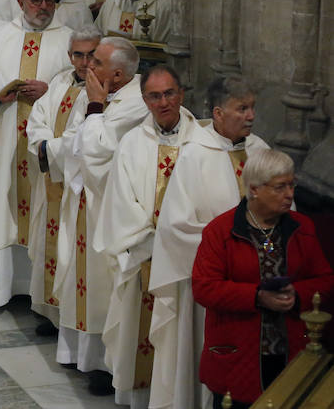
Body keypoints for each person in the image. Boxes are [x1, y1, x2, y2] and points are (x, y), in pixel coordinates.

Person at [149, 75, 269, 409]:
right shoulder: (194, 155)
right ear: (218, 113)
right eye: (241, 108)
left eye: (252, 108)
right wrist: (230, 251)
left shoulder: (260, 150)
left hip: (258, 280)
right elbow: (175, 226)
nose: (251, 116)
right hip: (212, 280)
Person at [193, 149, 334, 409]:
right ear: (254, 189)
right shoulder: (220, 231)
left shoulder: (302, 227)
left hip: (291, 352)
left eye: (292, 185)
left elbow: (325, 279)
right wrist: (257, 297)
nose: (290, 194)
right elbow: (204, 288)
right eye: (280, 187)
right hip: (237, 356)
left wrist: (297, 294)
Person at [0, 0, 73, 307]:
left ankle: (41, 297)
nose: (44, 6)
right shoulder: (0, 35)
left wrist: (51, 91)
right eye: (35, 0)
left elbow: (81, 87)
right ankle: (4, 289)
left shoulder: (69, 39)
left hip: (47, 141)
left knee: (43, 211)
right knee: (7, 208)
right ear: (20, 2)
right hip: (6, 135)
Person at [94, 65, 198, 409]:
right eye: (154, 96)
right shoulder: (132, 143)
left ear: (181, 94)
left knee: (180, 336)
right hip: (144, 258)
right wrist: (154, 240)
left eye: (169, 93)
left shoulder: (202, 142)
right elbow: (121, 201)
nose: (163, 102)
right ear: (144, 100)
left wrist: (177, 239)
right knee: (138, 330)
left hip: (187, 262)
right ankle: (140, 399)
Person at [58, 35, 148, 394]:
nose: (88, 66)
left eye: (97, 62)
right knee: (82, 278)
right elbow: (73, 138)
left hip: (111, 207)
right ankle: (80, 354)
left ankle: (104, 365)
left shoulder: (136, 104)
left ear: (119, 74)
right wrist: (92, 108)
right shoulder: (95, 92)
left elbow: (97, 148)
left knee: (104, 284)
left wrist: (95, 106)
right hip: (85, 197)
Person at [25, 26, 100, 334]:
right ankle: (50, 312)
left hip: (77, 186)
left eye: (91, 55)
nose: (84, 62)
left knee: (71, 252)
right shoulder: (59, 82)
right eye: (78, 55)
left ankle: (68, 320)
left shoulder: (101, 94)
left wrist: (50, 149)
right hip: (51, 181)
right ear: (70, 56)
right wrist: (43, 144)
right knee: (49, 244)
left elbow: (85, 139)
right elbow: (38, 119)